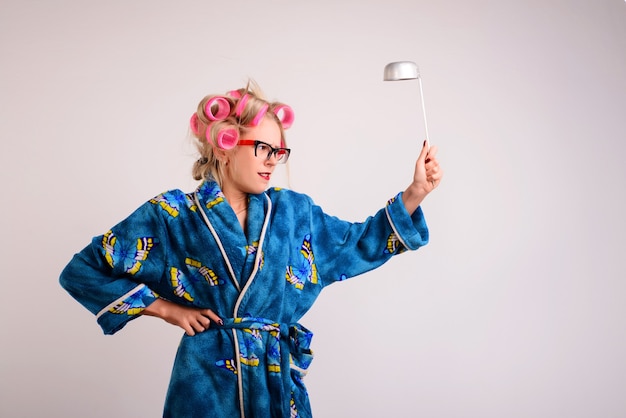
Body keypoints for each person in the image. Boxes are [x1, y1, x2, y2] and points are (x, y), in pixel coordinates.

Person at [59, 81, 443, 418]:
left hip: (275, 381)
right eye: (262, 147)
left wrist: (415, 193)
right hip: (205, 383)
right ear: (224, 146)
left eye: (279, 151)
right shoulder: (172, 215)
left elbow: (357, 242)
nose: (273, 160)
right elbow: (82, 270)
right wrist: (165, 310)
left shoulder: (294, 214)